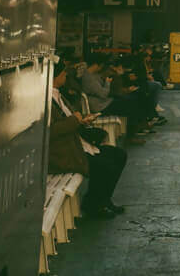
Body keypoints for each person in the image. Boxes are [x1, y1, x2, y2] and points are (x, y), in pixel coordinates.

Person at [49, 66, 128, 218]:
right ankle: (94, 205)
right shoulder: (45, 101)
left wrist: (83, 119)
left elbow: (72, 118)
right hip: (63, 153)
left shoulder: (58, 95)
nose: (65, 77)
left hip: (76, 145)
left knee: (119, 154)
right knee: (104, 166)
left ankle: (103, 200)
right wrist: (75, 120)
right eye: (64, 74)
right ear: (55, 77)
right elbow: (50, 131)